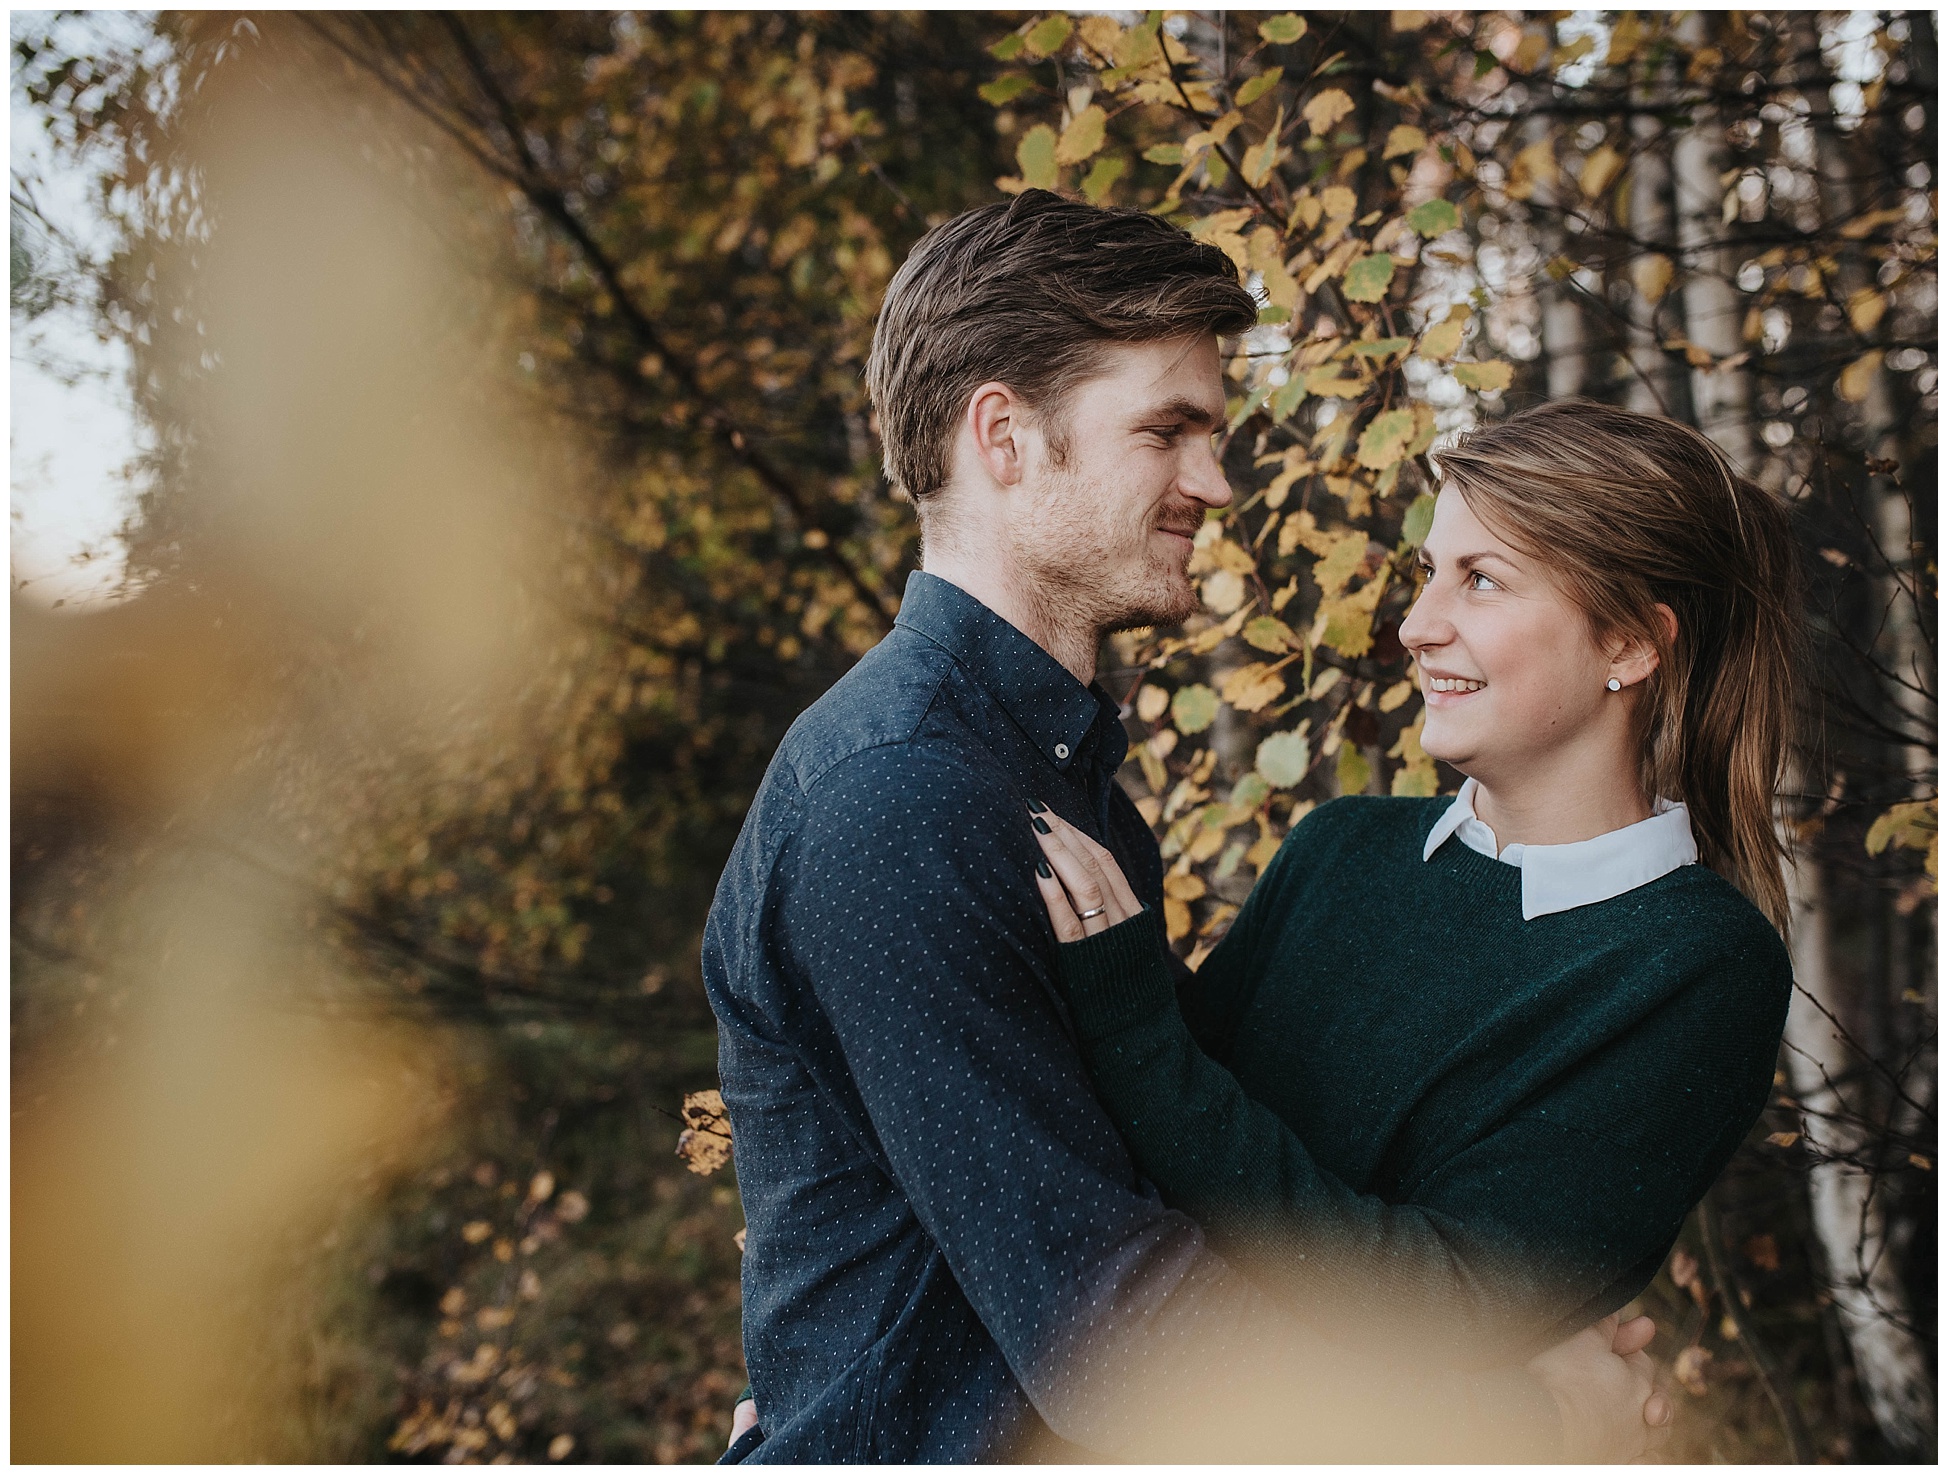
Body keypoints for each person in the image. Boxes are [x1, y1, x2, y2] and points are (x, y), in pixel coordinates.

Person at [701, 194, 1666, 1463]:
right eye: (1168, 430)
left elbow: (1168, 1177)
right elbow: (1113, 1331)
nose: (1213, 481)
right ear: (1004, 435)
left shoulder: (1043, 771)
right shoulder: (898, 800)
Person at [1027, 399, 1800, 1372]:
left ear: (1630, 644)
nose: (1418, 624)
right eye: (1431, 572)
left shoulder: (1694, 963)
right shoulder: (1340, 848)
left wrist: (1130, 1014)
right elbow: (1148, 1148)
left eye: (1481, 579)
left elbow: (1439, 1307)